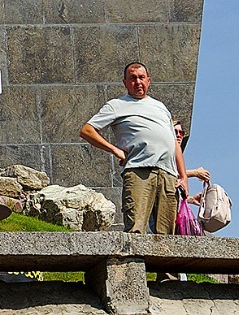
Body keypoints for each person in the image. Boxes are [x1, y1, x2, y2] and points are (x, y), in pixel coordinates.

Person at [79, 61, 188, 236]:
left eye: (141, 78)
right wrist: (115, 150)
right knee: (135, 230)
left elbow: (174, 142)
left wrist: (183, 176)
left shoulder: (161, 107)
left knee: (167, 234)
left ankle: (159, 265)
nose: (137, 82)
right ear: (125, 82)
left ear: (148, 81)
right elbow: (87, 130)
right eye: (133, 78)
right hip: (139, 171)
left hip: (168, 175)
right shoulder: (116, 105)